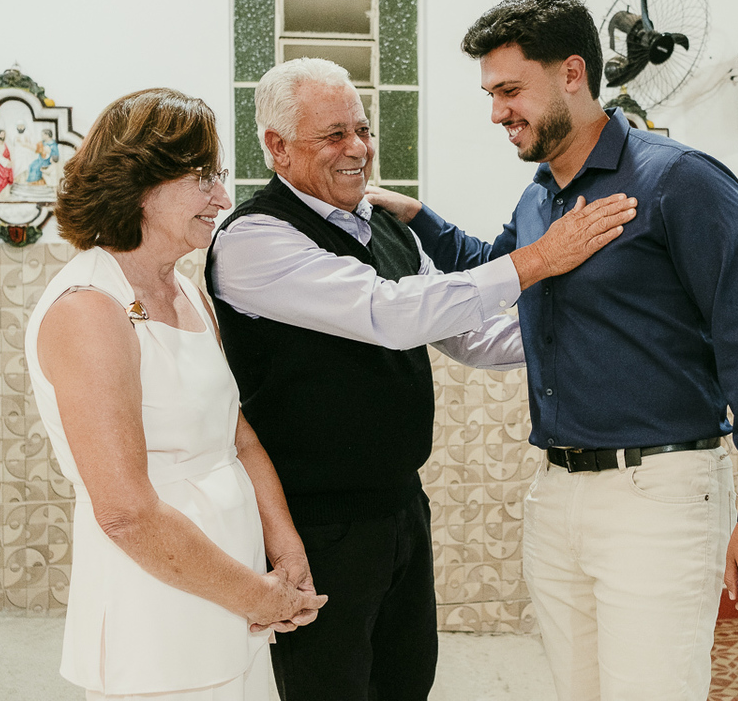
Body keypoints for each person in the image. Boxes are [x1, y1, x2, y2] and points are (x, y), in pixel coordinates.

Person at [368, 0, 738, 701]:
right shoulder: (541, 196)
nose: (499, 112)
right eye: (491, 94)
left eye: (510, 90)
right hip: (557, 492)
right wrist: (419, 218)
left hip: (659, 494)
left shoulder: (680, 183)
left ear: (572, 73)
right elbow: (492, 263)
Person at [204, 57, 636, 701]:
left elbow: (469, 333)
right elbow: (391, 314)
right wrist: (541, 258)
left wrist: (609, 339)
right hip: (316, 524)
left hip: (401, 507)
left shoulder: (382, 224)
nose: (358, 149)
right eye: (333, 136)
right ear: (277, 146)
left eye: (362, 129)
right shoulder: (253, 239)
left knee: (406, 683)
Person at [25, 88, 327, 700]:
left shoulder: (184, 292)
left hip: (232, 587)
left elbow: (235, 434)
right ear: (138, 183)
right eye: (201, 179)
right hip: (157, 604)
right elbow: (125, 512)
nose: (221, 198)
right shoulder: (89, 309)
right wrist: (257, 596)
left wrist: (285, 547)